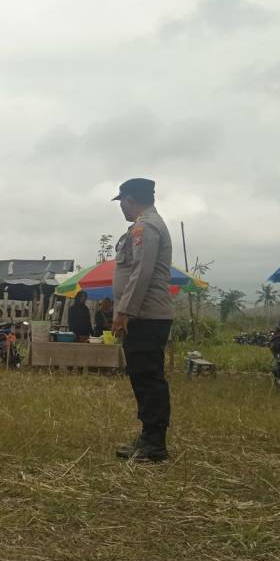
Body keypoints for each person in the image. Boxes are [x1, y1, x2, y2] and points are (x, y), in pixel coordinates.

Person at [111, 178, 174, 463]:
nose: (121, 207)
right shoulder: (143, 225)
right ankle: (149, 436)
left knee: (147, 377)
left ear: (129, 199)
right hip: (144, 314)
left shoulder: (145, 227)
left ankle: (154, 444)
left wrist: (124, 311)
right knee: (142, 375)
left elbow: (141, 272)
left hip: (146, 315)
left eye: (122, 201)